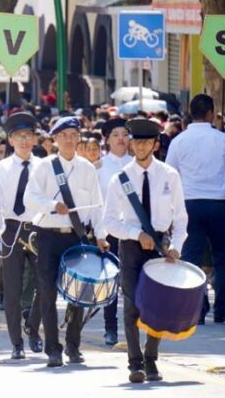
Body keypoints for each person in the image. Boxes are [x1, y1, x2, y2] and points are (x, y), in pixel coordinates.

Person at [101, 118, 188, 383]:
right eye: (135, 141)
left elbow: (181, 217)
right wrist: (135, 233)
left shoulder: (169, 175)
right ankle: (134, 362)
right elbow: (109, 222)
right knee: (131, 306)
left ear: (155, 144)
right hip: (130, 247)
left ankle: (151, 359)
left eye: (145, 142)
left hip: (160, 246)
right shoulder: (121, 178)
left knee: (157, 306)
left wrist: (175, 247)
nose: (139, 146)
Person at [25, 116, 103, 367]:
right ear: (55, 139)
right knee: (47, 292)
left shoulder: (87, 168)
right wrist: (51, 205)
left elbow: (98, 205)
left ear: (79, 138)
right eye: (64, 135)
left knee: (79, 293)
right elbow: (30, 198)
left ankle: (73, 345)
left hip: (76, 236)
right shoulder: (44, 166)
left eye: (74, 135)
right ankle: (53, 349)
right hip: (48, 235)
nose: (69, 140)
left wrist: (100, 236)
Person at [166, 94, 225, 323]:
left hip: (190, 204)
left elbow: (169, 176)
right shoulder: (221, 140)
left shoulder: (179, 141)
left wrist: (170, 209)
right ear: (211, 113)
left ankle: (196, 309)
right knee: (223, 258)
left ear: (190, 114)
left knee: (191, 257)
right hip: (219, 205)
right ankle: (222, 309)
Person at [0, 112, 43, 359]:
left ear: (35, 139)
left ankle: (34, 329)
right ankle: (16, 342)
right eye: (19, 136)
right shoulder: (1, 168)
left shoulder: (44, 166)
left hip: (38, 228)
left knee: (45, 285)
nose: (24, 141)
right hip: (10, 228)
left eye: (28, 135)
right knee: (13, 290)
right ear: (10, 140)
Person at [95, 116, 131, 345]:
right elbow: (96, 203)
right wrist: (99, 233)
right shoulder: (98, 167)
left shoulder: (138, 164)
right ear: (106, 139)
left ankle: (133, 328)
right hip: (108, 231)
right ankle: (110, 328)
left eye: (125, 135)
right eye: (116, 135)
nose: (121, 139)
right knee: (110, 282)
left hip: (133, 231)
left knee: (131, 282)